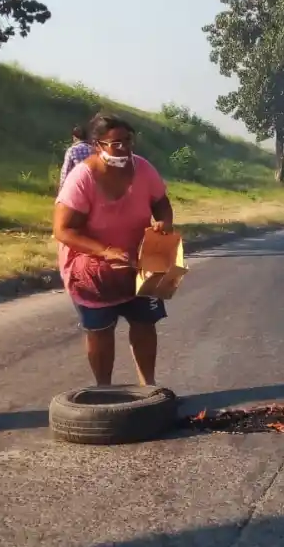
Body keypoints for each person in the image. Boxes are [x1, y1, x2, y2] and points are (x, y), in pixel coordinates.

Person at [53, 113, 174, 386]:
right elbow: (63, 230)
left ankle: (148, 387)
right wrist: (104, 251)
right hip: (93, 266)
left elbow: (161, 201)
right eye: (116, 143)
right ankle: (104, 390)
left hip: (140, 258)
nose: (125, 148)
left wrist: (164, 223)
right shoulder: (82, 178)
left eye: (128, 141)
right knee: (100, 330)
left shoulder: (143, 168)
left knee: (145, 323)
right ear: (97, 145)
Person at [59, 125, 93, 192]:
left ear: (74, 137)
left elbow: (65, 171)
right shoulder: (94, 150)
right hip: (92, 186)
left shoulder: (72, 150)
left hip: (77, 186)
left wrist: (62, 189)